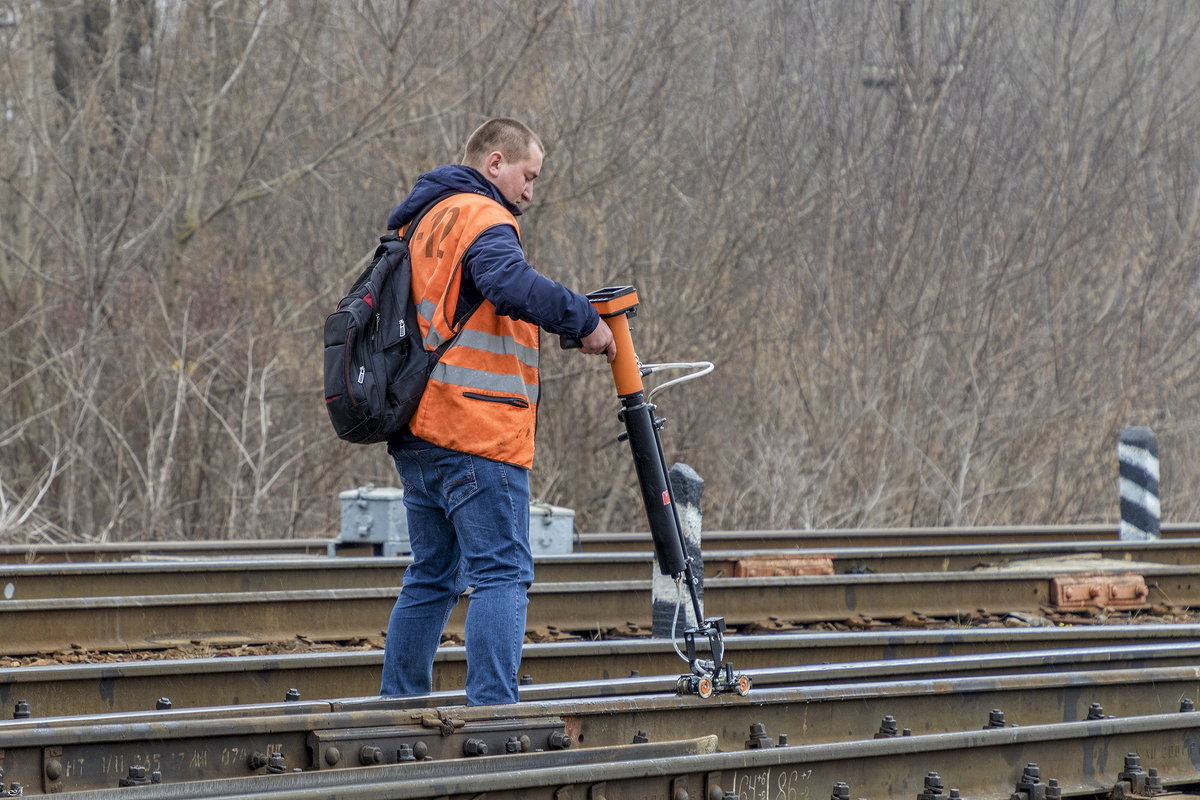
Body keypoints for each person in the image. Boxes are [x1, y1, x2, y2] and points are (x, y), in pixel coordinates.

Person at [379, 118, 615, 706]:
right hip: (476, 428)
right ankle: (492, 711)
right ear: (495, 164)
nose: (532, 189)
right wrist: (583, 320)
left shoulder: (423, 220)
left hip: (419, 428)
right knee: (502, 572)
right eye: (527, 174)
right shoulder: (484, 217)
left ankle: (399, 704)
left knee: (432, 575)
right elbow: (508, 283)